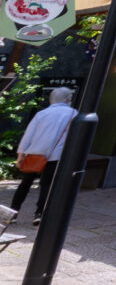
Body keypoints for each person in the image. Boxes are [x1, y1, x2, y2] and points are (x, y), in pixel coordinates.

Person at [11, 87, 76, 225]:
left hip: (34, 153)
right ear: (68, 99)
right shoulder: (73, 114)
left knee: (25, 183)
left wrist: (20, 155)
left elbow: (28, 135)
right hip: (56, 154)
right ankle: (39, 213)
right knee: (47, 185)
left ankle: (13, 213)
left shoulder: (41, 114)